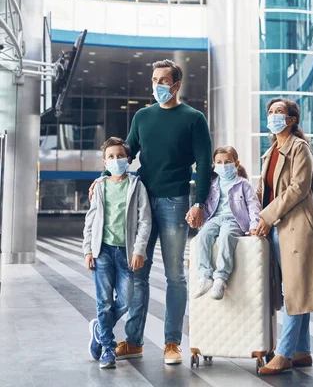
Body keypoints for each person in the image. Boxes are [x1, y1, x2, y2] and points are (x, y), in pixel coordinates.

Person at [89, 59, 212, 365]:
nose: (158, 85)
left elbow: (205, 164)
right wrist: (102, 178)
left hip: (176, 202)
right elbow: (124, 153)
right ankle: (133, 341)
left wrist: (199, 203)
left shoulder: (194, 119)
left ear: (176, 85)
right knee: (137, 274)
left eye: (163, 80)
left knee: (175, 276)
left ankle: (172, 343)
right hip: (140, 199)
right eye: (154, 80)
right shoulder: (142, 116)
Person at [254, 98, 313, 376]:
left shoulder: (300, 148)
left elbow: (298, 188)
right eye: (271, 112)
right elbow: (264, 191)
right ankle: (302, 351)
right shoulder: (271, 151)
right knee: (296, 289)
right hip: (278, 226)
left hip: (297, 227)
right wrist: (254, 216)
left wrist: (267, 216)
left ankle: (284, 353)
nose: (274, 116)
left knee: (295, 290)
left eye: (280, 112)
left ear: (291, 120)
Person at [83, 137, 152, 369]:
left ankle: (99, 329)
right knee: (103, 302)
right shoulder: (100, 186)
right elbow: (91, 219)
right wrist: (87, 251)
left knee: (127, 299)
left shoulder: (137, 186)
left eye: (120, 156)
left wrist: (139, 250)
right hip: (102, 250)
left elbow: (144, 222)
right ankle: (108, 348)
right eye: (111, 156)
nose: (116, 160)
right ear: (104, 161)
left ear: (129, 159)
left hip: (127, 252)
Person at [191, 146, 261, 300]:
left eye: (227, 162)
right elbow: (207, 207)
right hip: (215, 219)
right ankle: (204, 276)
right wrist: (198, 222)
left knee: (226, 237)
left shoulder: (243, 184)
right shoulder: (213, 184)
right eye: (219, 162)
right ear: (214, 165)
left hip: (234, 220)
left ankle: (220, 278)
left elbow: (253, 205)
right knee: (202, 236)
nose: (223, 165)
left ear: (236, 164)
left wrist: (254, 225)